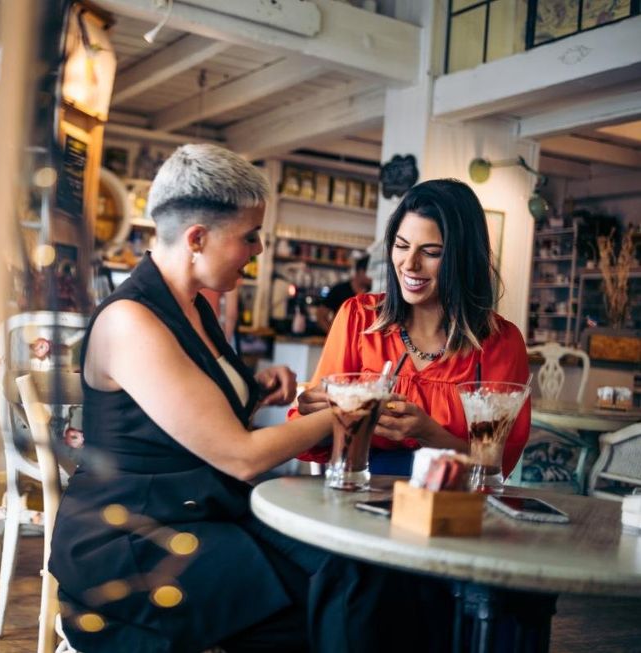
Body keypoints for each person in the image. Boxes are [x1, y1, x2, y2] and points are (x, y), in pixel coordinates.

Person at [49, 145, 435, 653]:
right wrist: (351, 408)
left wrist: (258, 392)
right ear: (197, 239)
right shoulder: (131, 322)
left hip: (197, 512)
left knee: (362, 570)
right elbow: (240, 456)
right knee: (329, 598)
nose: (257, 251)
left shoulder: (193, 309)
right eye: (249, 237)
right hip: (130, 540)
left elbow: (185, 416)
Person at [295, 178, 531, 477]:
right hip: (360, 493)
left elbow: (496, 464)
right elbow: (312, 438)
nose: (409, 264)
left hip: (453, 504)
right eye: (402, 246)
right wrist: (323, 412)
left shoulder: (501, 342)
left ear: (464, 258)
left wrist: (428, 433)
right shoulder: (359, 318)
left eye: (431, 252)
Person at [313, 255, 371, 334]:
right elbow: (321, 315)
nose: (373, 277)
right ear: (361, 271)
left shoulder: (373, 293)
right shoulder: (339, 290)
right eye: (372, 273)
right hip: (341, 339)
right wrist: (333, 335)